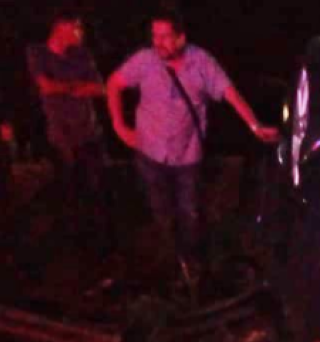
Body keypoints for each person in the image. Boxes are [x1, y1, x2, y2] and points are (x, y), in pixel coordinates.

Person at [106, 10, 277, 286]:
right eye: (154, 36)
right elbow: (114, 83)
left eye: (165, 37)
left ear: (181, 38)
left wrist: (254, 125)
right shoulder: (144, 61)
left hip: (187, 156)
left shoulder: (201, 63)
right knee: (162, 213)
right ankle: (173, 268)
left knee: (190, 213)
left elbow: (229, 92)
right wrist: (119, 126)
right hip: (150, 152)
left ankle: (193, 267)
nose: (158, 42)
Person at [25, 9, 106, 218]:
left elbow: (100, 88)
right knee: (70, 192)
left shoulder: (82, 54)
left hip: (89, 132)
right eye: (76, 27)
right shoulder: (38, 53)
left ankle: (99, 240)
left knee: (97, 192)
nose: (81, 32)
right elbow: (46, 86)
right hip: (63, 136)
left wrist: (67, 87)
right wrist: (77, 86)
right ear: (61, 28)